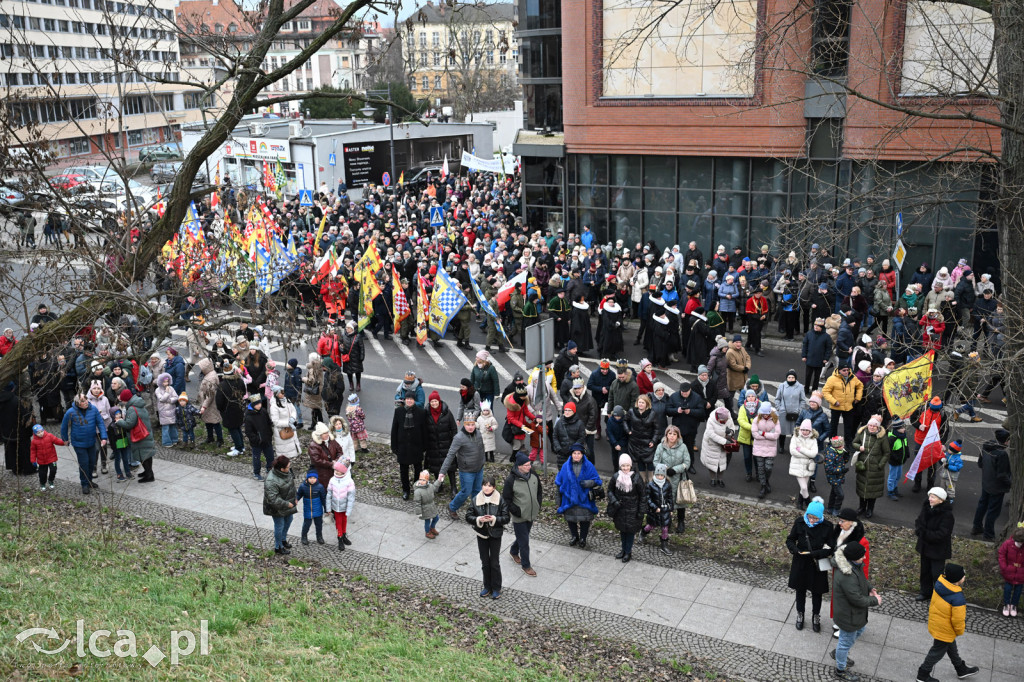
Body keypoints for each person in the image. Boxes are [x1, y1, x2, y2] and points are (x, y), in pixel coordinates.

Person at [915, 563, 980, 682]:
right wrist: (959, 631)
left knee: (951, 648)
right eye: (963, 576)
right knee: (936, 652)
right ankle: (923, 674)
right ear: (956, 581)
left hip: (938, 624)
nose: (964, 577)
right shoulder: (957, 598)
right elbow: (958, 620)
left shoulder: (940, 585)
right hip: (946, 629)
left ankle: (960, 669)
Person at [831, 542, 882, 681]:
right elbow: (857, 599)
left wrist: (869, 588)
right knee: (846, 642)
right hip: (849, 615)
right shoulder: (847, 575)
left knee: (858, 632)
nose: (864, 557)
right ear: (853, 558)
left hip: (852, 614)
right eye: (862, 556)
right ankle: (840, 670)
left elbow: (861, 580)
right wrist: (875, 600)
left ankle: (839, 652)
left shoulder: (852, 566)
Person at [785, 496, 835, 632]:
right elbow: (790, 540)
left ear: (821, 517)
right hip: (800, 562)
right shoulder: (800, 523)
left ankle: (815, 616)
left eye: (815, 518)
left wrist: (818, 553)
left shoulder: (828, 527)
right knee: (800, 590)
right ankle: (800, 614)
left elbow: (831, 548)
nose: (812, 520)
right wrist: (795, 550)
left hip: (817, 564)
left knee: (817, 592)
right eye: (810, 517)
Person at [466, 474, 510, 599]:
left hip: (495, 534)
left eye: (489, 486)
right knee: (485, 562)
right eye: (485, 485)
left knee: (494, 562)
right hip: (482, 534)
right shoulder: (476, 499)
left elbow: (506, 517)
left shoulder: (500, 500)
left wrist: (494, 519)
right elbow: (468, 516)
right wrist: (479, 519)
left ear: (494, 488)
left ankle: (496, 588)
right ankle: (487, 586)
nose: (486, 488)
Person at [439, 410, 485, 520]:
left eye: (472, 424)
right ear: (464, 424)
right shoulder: (459, 438)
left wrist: (482, 462)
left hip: (479, 469)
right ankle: (452, 507)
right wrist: (442, 472)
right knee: (466, 491)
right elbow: (450, 455)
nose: (471, 427)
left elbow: (482, 449)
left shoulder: (478, 434)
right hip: (466, 470)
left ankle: (474, 510)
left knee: (477, 491)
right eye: (468, 425)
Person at [555, 443, 602, 548]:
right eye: (574, 453)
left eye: (579, 453)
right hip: (569, 499)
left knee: (585, 520)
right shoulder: (565, 466)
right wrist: (558, 500)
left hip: (584, 499)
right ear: (571, 454)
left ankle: (583, 538)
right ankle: (574, 536)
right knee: (570, 519)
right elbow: (559, 483)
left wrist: (588, 483)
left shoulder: (589, 465)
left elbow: (597, 480)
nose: (576, 455)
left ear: (582, 454)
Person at [503, 452, 542, 577]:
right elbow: (506, 499)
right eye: (526, 465)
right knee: (524, 541)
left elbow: (539, 490)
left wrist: (538, 504)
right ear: (519, 466)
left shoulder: (533, 474)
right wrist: (517, 511)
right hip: (519, 516)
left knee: (523, 537)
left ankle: (514, 551)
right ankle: (526, 565)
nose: (529, 467)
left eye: (529, 464)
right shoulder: (511, 480)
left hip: (531, 513)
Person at [60, 393, 107, 495]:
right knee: (84, 463)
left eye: (86, 400)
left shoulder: (93, 409)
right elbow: (64, 426)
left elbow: (100, 423)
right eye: (82, 401)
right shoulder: (71, 412)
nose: (85, 402)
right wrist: (65, 439)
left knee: (91, 462)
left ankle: (89, 480)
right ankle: (84, 484)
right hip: (79, 443)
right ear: (77, 403)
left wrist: (103, 437)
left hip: (91, 441)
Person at [915, 487, 955, 601]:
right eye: (930, 496)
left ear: (941, 500)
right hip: (925, 547)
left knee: (937, 574)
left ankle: (939, 594)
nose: (930, 499)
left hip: (938, 549)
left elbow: (943, 534)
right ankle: (925, 592)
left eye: (933, 497)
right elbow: (919, 521)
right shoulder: (926, 508)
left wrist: (925, 534)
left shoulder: (947, 515)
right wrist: (919, 530)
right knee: (925, 571)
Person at [971, 429, 1012, 541]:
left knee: (982, 505)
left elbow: (980, 463)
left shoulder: (986, 447)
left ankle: (977, 526)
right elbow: (1002, 475)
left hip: (986, 482)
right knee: (993, 511)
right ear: (1006, 441)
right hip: (997, 487)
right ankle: (989, 534)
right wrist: (1010, 483)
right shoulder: (1002, 454)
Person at [607, 453, 646, 563]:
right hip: (620, 509)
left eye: (627, 466)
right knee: (622, 531)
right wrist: (614, 501)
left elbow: (643, 496)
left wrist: (641, 511)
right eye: (623, 466)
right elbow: (610, 491)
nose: (625, 468)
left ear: (631, 466)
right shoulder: (616, 477)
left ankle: (628, 552)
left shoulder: (637, 478)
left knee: (630, 532)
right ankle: (623, 550)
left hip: (633, 510)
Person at [390, 390, 428, 500]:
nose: (409, 401)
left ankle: (417, 489)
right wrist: (394, 446)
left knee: (418, 469)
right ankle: (406, 490)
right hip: (403, 446)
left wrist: (424, 446)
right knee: (403, 470)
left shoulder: (421, 412)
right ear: (405, 400)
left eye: (411, 399)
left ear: (414, 400)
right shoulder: (399, 411)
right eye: (407, 399)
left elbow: (424, 430)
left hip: (416, 446)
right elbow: (394, 429)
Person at [654, 425, 691, 533]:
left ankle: (680, 522)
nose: (672, 436)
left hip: (679, 479)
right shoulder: (660, 446)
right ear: (666, 435)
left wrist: (675, 469)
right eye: (670, 434)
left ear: (678, 436)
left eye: (674, 434)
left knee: (680, 502)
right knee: (665, 501)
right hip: (664, 479)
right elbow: (655, 462)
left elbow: (687, 463)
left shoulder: (683, 447)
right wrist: (665, 469)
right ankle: (667, 521)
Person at [852, 415, 890, 518]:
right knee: (862, 488)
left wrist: (880, 465)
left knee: (873, 491)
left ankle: (870, 509)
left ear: (878, 427)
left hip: (875, 469)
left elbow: (886, 453)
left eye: (874, 426)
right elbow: (854, 443)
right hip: (863, 467)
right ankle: (861, 507)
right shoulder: (862, 433)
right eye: (870, 425)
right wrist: (859, 447)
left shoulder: (882, 437)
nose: (871, 427)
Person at [114, 390, 156, 483]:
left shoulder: (132, 408)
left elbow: (129, 424)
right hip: (146, 433)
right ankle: (148, 472)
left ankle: (149, 475)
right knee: (147, 454)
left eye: (123, 401)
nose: (123, 402)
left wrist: (119, 421)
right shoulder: (139, 404)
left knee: (143, 455)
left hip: (140, 435)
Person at [822, 361, 864, 445]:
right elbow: (825, 391)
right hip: (836, 406)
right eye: (844, 370)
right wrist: (834, 401)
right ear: (839, 370)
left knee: (848, 426)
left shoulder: (853, 377)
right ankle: (832, 443)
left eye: (847, 370)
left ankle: (848, 444)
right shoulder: (832, 379)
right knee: (833, 426)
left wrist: (858, 397)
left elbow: (860, 386)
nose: (846, 372)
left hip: (848, 406)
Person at [263, 455, 298, 555]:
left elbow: (291, 485)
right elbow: (273, 499)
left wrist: (295, 497)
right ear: (281, 469)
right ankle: (278, 546)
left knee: (289, 520)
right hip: (276, 507)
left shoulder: (286, 472)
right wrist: (287, 504)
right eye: (288, 467)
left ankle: (283, 539)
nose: (289, 468)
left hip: (288, 503)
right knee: (280, 525)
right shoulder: (271, 480)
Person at [641, 463, 675, 556]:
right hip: (655, 511)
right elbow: (648, 498)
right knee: (651, 526)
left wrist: (671, 509)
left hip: (665, 510)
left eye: (661, 475)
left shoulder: (667, 485)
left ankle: (664, 545)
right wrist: (655, 508)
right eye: (658, 475)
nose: (660, 477)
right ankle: (643, 532)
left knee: (665, 528)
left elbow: (670, 498)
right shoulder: (650, 485)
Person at [751, 402, 781, 499]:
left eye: (766, 413)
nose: (765, 415)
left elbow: (776, 435)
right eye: (763, 413)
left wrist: (763, 434)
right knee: (760, 468)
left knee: (768, 468)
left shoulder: (776, 420)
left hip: (770, 448)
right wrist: (769, 435)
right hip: (759, 448)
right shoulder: (756, 419)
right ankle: (763, 486)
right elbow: (755, 434)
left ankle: (766, 481)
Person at [774, 369, 807, 455]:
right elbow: (777, 398)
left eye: (792, 377)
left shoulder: (800, 387)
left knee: (794, 432)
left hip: (796, 413)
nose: (791, 379)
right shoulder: (782, 386)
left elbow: (803, 400)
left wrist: (799, 410)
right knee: (782, 431)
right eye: (789, 377)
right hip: (783, 413)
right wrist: (779, 408)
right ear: (786, 378)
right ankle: (781, 446)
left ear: (795, 378)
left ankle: (792, 447)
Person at [325, 459, 356, 551]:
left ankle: (344, 535)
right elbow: (329, 495)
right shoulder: (332, 480)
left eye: (338, 470)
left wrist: (349, 509)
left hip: (344, 507)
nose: (336, 471)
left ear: (343, 471)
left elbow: (351, 497)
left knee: (344, 521)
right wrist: (328, 508)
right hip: (336, 507)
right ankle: (340, 538)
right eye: (335, 470)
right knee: (338, 522)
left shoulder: (349, 481)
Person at [789, 419, 820, 509]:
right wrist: (807, 454)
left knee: (803, 487)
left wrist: (801, 449)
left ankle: (800, 503)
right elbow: (792, 451)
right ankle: (809, 505)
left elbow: (814, 453)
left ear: (810, 430)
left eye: (807, 430)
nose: (805, 432)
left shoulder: (813, 439)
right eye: (803, 430)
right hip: (797, 466)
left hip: (808, 466)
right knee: (804, 487)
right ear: (800, 429)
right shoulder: (795, 437)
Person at [244, 394, 274, 481]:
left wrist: (270, 434)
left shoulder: (263, 411)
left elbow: (268, 422)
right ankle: (256, 473)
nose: (259, 405)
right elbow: (248, 432)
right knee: (256, 458)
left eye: (260, 403)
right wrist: (257, 439)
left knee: (270, 456)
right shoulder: (249, 417)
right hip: (257, 442)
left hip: (267, 439)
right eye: (257, 404)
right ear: (253, 405)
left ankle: (270, 469)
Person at [998, 527, 1024, 617]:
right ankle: (1006, 604)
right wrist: (1004, 567)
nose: (1020, 544)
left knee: (1018, 590)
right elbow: (1002, 554)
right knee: (1008, 589)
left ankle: (1014, 605)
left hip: (1021, 574)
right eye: (1019, 542)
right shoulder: (1008, 544)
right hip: (1009, 571)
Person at [296, 469, 327, 546]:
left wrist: (326, 509)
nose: (312, 480)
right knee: (306, 524)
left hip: (318, 510)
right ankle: (304, 536)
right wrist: (296, 499)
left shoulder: (320, 487)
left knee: (319, 524)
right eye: (310, 478)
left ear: (316, 479)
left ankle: (319, 536)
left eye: (314, 478)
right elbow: (298, 494)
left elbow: (323, 498)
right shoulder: (303, 486)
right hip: (308, 510)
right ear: (307, 478)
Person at [269, 386, 301, 459]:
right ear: (276, 394)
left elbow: (293, 410)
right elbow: (275, 421)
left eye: (283, 392)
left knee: (293, 452)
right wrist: (288, 423)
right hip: (282, 431)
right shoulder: (274, 406)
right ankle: (285, 468)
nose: (283, 394)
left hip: (290, 429)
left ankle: (289, 467)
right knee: (284, 455)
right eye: (281, 392)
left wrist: (293, 418)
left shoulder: (287, 401)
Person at [30, 424, 64, 491]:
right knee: (42, 473)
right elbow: (33, 451)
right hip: (42, 461)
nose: (40, 433)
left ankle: (51, 480)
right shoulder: (34, 441)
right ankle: (42, 483)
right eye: (38, 433)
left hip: (52, 458)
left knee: (53, 470)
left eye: (41, 431)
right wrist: (33, 460)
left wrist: (64, 443)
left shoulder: (49, 436)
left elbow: (57, 440)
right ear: (35, 433)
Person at [886, 418, 910, 501]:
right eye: (902, 428)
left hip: (901, 461)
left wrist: (907, 454)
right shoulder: (892, 438)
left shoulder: (903, 437)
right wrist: (896, 458)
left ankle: (895, 488)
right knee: (892, 476)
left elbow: (906, 446)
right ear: (897, 429)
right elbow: (889, 451)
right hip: (894, 461)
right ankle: (890, 491)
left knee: (898, 476)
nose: (904, 429)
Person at [414, 470, 442, 539]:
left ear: (427, 480)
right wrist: (418, 512)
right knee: (427, 521)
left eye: (424, 480)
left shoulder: (430, 486)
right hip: (425, 509)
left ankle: (432, 528)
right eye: (421, 479)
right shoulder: (418, 491)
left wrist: (439, 480)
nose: (422, 481)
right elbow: (417, 503)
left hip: (431, 506)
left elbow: (435, 486)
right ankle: (427, 532)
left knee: (436, 518)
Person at [106, 407, 132, 481]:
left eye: (119, 413)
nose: (119, 415)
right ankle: (119, 473)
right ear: (113, 415)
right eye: (116, 414)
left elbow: (127, 430)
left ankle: (127, 472)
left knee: (125, 458)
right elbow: (111, 438)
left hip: (124, 442)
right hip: (117, 444)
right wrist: (114, 447)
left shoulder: (122, 422)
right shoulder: (111, 426)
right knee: (118, 459)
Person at [154, 373, 179, 446]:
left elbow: (176, 397)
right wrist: (167, 393)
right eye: (164, 382)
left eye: (167, 381)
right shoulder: (157, 390)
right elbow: (161, 399)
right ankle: (166, 442)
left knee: (173, 426)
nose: (166, 383)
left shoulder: (171, 388)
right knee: (166, 427)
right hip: (163, 411)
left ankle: (174, 439)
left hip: (171, 410)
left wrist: (170, 400)